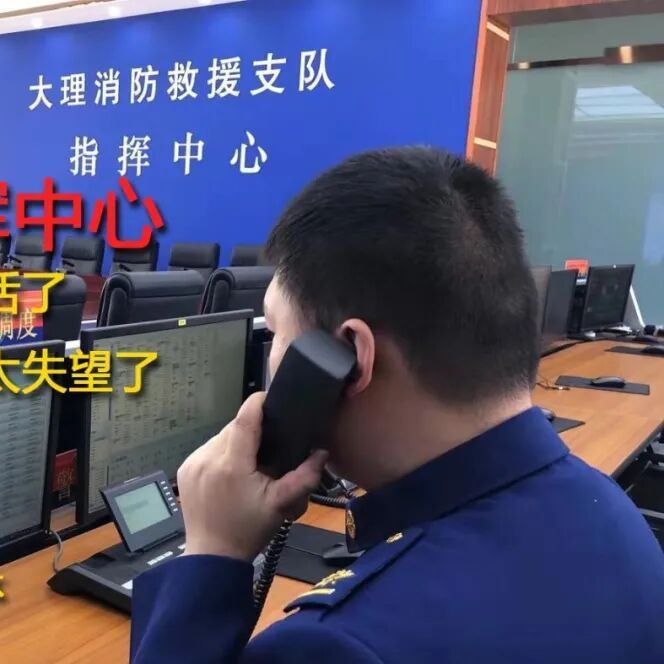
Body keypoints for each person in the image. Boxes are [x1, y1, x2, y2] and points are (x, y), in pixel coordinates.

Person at [130, 147, 664, 662]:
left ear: (350, 357)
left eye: (276, 332)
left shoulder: (335, 647)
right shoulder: (612, 513)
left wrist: (212, 552)